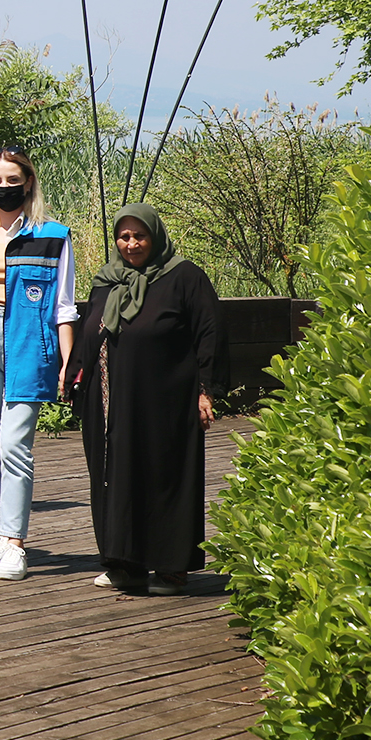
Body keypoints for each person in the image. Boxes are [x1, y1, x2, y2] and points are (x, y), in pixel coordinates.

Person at [72, 204, 226, 596]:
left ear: (155, 236)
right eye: (124, 236)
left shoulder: (183, 276)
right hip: (108, 401)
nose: (131, 244)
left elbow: (210, 332)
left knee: (163, 476)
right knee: (112, 478)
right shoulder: (106, 280)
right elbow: (90, 327)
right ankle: (124, 564)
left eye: (139, 236)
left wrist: (206, 390)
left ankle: (171, 567)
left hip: (165, 401)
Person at [0, 147, 78, 583]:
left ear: (28, 183)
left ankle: (17, 544)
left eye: (12, 180)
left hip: (27, 344)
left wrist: (66, 362)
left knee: (15, 447)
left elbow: (64, 306)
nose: (4, 188)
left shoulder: (53, 235)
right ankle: (3, 537)